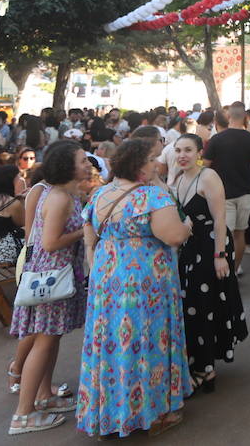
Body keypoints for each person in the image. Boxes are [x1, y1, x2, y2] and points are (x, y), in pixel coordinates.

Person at [77, 134, 192, 438]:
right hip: (144, 283)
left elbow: (89, 239)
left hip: (106, 277)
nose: (157, 163)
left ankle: (109, 414)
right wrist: (188, 225)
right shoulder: (152, 197)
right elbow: (174, 236)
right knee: (146, 341)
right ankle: (151, 414)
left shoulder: (99, 195)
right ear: (141, 168)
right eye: (152, 159)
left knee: (110, 342)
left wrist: (99, 267)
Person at [8, 141, 89, 435]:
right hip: (51, 279)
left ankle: (43, 398)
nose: (87, 164)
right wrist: (86, 229)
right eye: (82, 160)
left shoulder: (59, 193)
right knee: (43, 343)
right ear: (67, 166)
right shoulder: (58, 197)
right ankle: (23, 414)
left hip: (52, 277)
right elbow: (50, 242)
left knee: (49, 340)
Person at [169, 134, 248, 394]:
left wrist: (220, 257)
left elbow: (219, 218)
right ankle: (198, 364)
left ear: (199, 152)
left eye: (188, 150)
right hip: (189, 248)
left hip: (211, 245)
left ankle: (206, 368)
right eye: (178, 150)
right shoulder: (179, 177)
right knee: (190, 304)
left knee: (204, 304)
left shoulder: (209, 177)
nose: (182, 155)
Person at [203, 103, 250, 274]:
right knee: (240, 234)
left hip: (222, 193)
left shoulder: (216, 139)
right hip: (245, 191)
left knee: (224, 234)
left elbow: (204, 166)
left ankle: (224, 272)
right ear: (246, 117)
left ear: (228, 117)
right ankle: (235, 269)